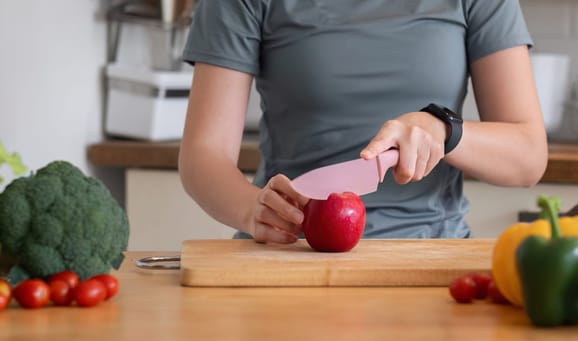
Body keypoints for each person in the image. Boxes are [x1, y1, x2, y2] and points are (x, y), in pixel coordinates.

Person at [178, 0, 548, 244]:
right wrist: (252, 208)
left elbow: (527, 157)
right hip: (291, 257)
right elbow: (203, 155)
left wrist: (444, 130)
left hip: (430, 258)